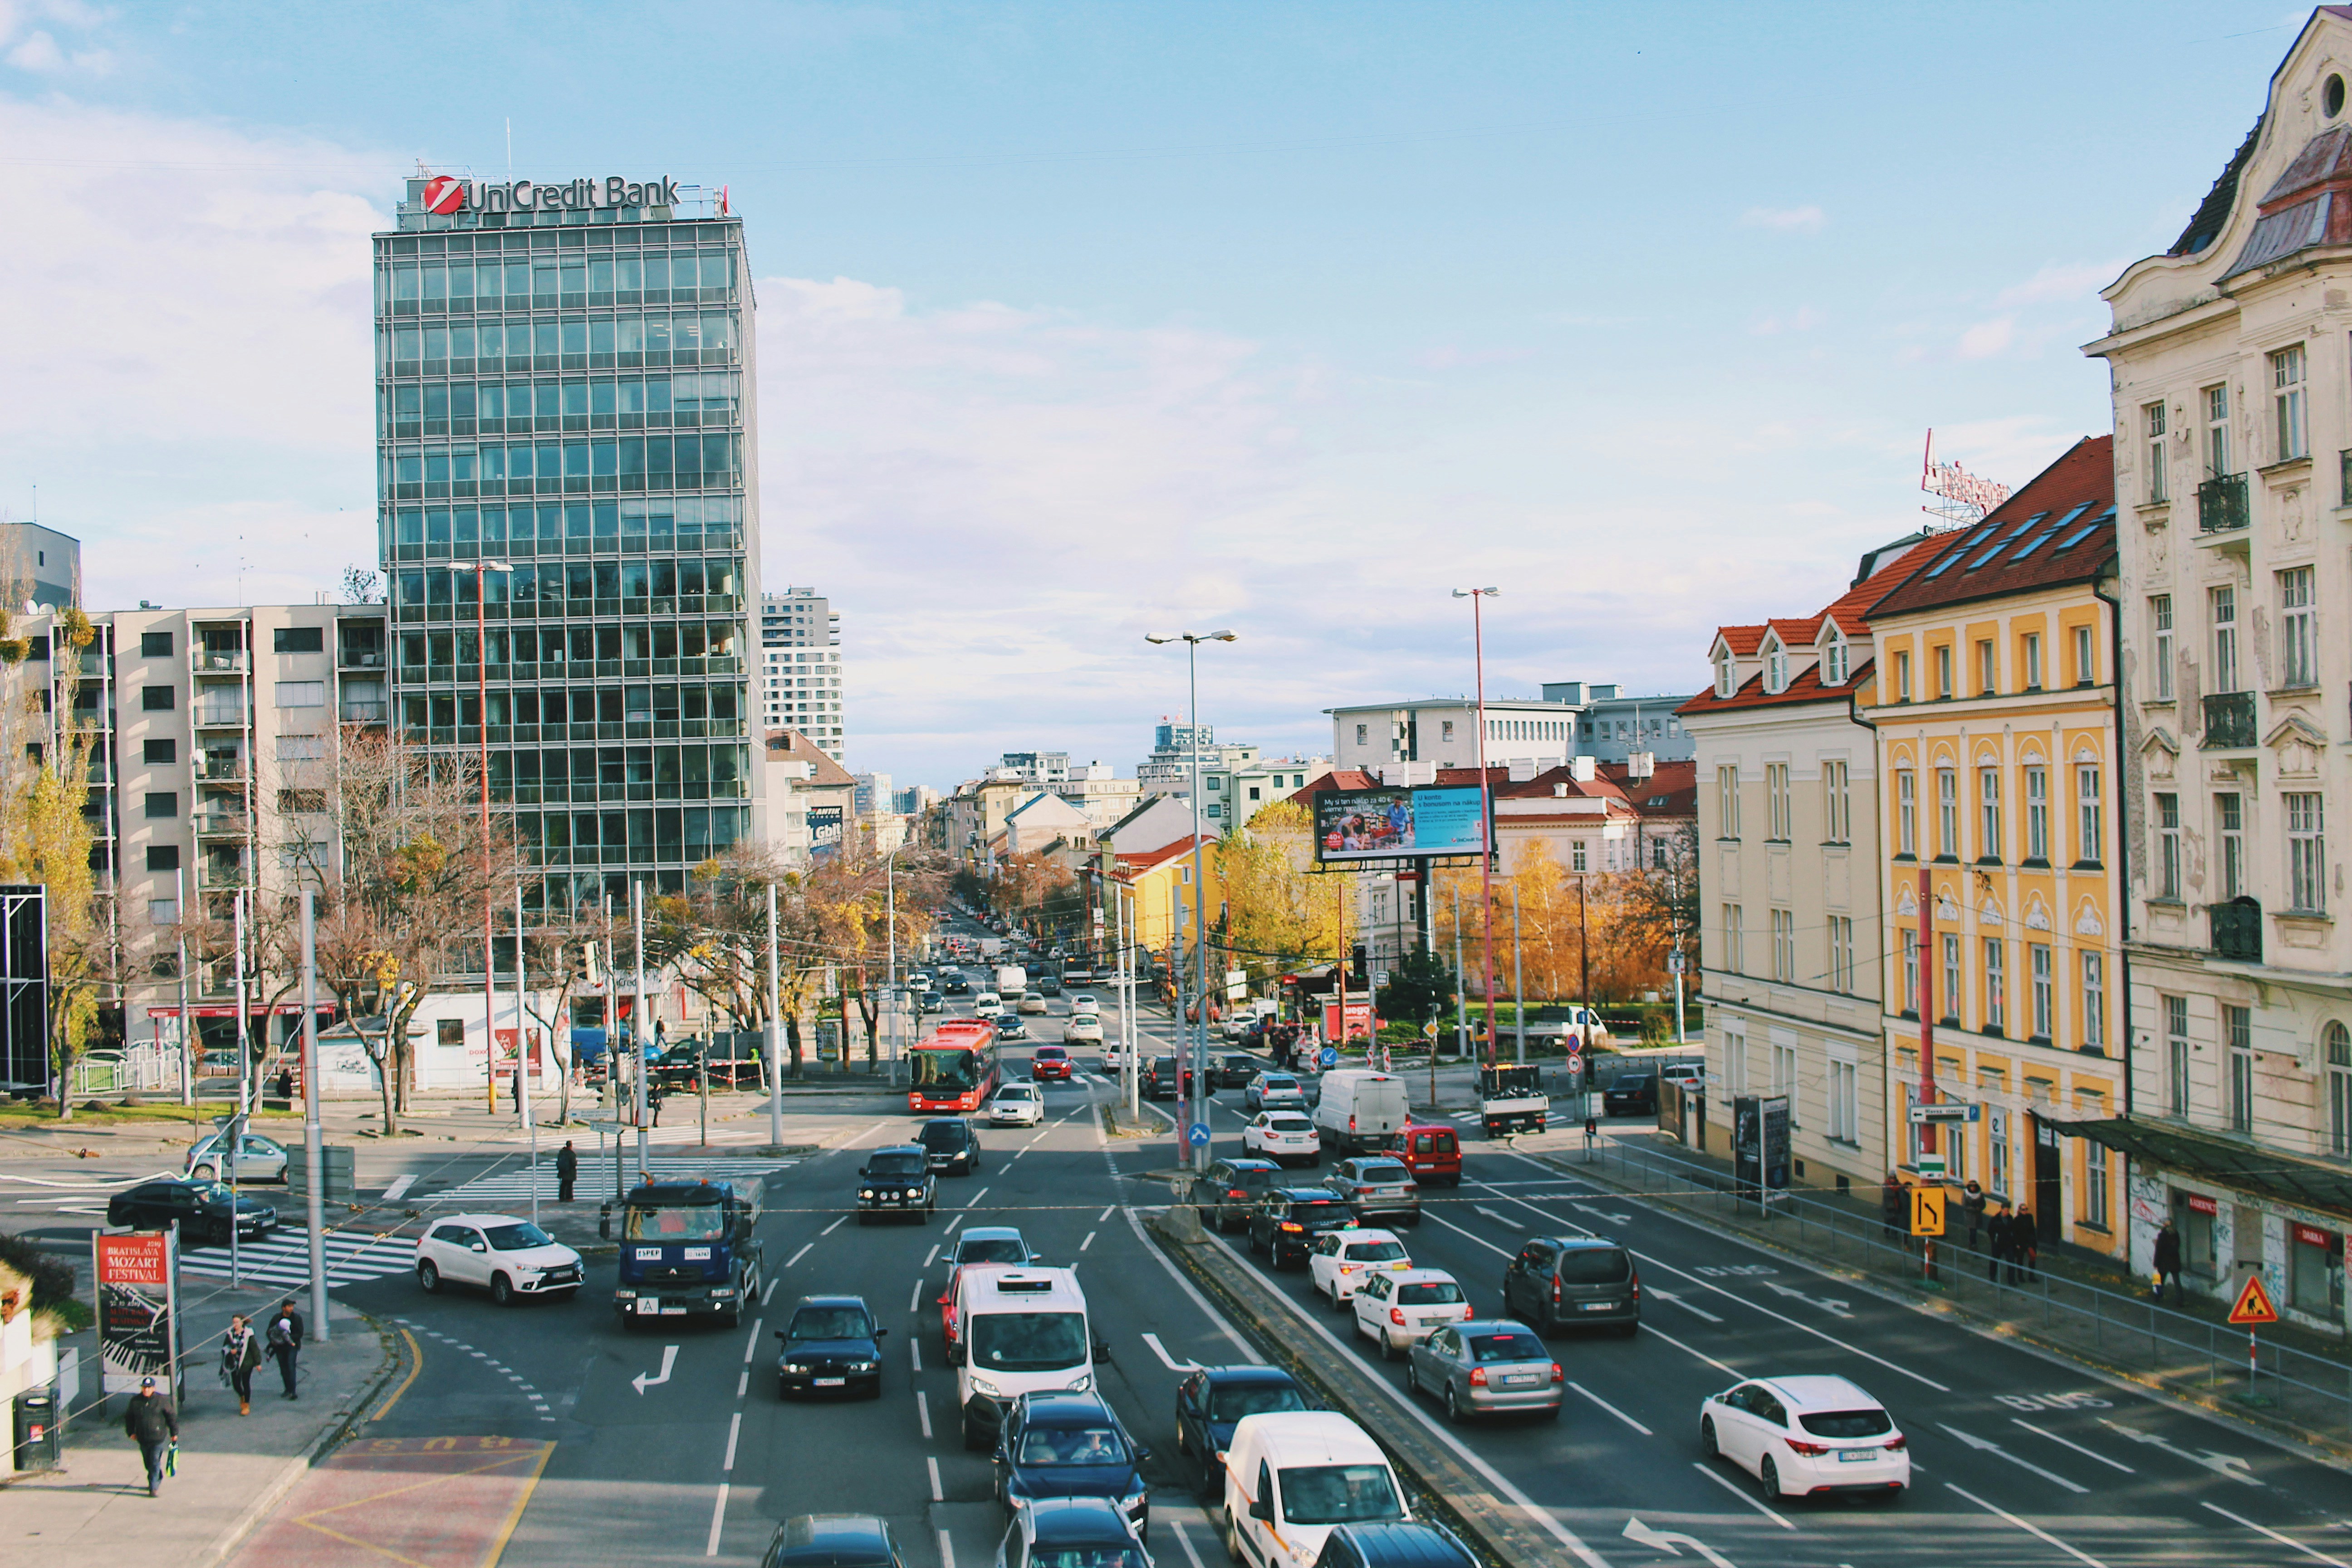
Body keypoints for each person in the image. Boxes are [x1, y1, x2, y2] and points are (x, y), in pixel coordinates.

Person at [123, 1376, 178, 1497]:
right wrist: (131, 1432)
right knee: (148, 1463)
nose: (146, 1390)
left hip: (157, 1438)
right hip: (142, 1438)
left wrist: (174, 1433)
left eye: (148, 1388)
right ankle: (157, 1476)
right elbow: (129, 1418)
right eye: (144, 1388)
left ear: (154, 1388)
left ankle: (153, 1488)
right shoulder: (136, 1402)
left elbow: (171, 1417)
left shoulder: (161, 1401)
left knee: (154, 1462)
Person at [221, 1313, 261, 1416]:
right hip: (234, 1363)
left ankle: (246, 1405)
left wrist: (258, 1363)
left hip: (246, 1362)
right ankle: (242, 1396)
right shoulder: (230, 1334)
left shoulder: (248, 1333)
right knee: (236, 1384)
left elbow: (254, 1348)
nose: (235, 1324)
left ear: (242, 1322)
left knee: (246, 1382)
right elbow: (225, 1347)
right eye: (234, 1322)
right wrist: (231, 1350)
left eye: (237, 1322)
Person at [267, 1304, 300, 1399]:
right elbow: (269, 1332)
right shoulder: (277, 1318)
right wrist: (274, 1341)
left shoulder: (296, 1318)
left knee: (291, 1367)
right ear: (283, 1308)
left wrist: (290, 1340)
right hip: (280, 1347)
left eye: (292, 1307)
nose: (292, 1308)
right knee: (284, 1369)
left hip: (291, 1347)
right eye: (289, 1306)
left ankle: (293, 1392)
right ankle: (288, 1389)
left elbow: (299, 1333)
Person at [2153, 1218, 2184, 1305]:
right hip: (2174, 1261)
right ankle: (2180, 1299)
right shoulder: (2175, 1234)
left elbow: (2159, 1250)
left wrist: (2156, 1263)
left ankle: (2157, 1297)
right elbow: (2178, 1246)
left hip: (2164, 1261)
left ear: (2165, 1225)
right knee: (2177, 1281)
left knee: (2160, 1280)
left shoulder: (2163, 1235)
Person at [2010, 1208, 2039, 1284]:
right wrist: (2017, 1244)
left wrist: (2034, 1241)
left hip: (2030, 1242)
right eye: (2023, 1210)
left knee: (2033, 1258)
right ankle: (2020, 1276)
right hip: (2021, 1242)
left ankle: (2032, 1276)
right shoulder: (2017, 1220)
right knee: (2020, 1259)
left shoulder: (2029, 1217)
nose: (2025, 1211)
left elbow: (2032, 1230)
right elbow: (2015, 1233)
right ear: (2019, 1210)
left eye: (2026, 1209)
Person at [1880, 1173, 1907, 1251]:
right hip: (1888, 1207)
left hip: (1896, 1206)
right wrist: (1896, 1193)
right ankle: (1887, 1232)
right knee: (1888, 1221)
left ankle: (1894, 1234)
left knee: (1896, 1221)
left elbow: (1901, 1190)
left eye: (1894, 1178)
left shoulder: (1898, 1185)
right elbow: (1888, 1193)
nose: (1893, 1179)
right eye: (1891, 1178)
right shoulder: (1886, 1185)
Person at [1962, 1180, 1987, 1252]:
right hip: (1970, 1216)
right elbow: (1964, 1205)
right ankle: (1973, 1244)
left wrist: (1980, 1208)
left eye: (1974, 1187)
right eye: (1971, 1187)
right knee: (1973, 1231)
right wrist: (1973, 1209)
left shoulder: (1980, 1194)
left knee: (1975, 1231)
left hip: (1978, 1216)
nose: (1973, 1188)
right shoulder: (1966, 1194)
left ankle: (1973, 1243)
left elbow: (1984, 1204)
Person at [556, 1139, 578, 1203]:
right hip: (570, 1172)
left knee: (563, 1184)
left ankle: (562, 1197)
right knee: (569, 1185)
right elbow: (574, 1163)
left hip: (563, 1171)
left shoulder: (561, 1152)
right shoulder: (571, 1154)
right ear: (571, 1146)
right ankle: (569, 1197)